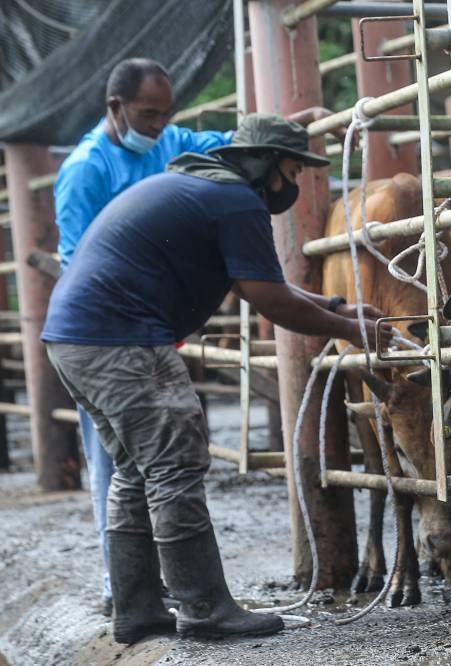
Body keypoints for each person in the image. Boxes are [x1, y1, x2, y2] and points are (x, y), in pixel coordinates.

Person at [42, 113, 390, 644]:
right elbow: (272, 302)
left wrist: (342, 310)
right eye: (293, 170)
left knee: (136, 470)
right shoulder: (237, 202)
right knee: (174, 464)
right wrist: (355, 330)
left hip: (74, 338)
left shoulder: (200, 188)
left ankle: (137, 610)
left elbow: (269, 288)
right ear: (266, 164)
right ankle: (204, 608)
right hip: (122, 340)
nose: (294, 184)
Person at [54, 57, 233, 617]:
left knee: (142, 463)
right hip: (106, 329)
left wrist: (286, 125)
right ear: (116, 108)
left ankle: (144, 601)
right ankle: (125, 589)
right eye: (147, 113)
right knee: (118, 460)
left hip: (153, 324)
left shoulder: (170, 139)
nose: (157, 124)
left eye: (163, 113)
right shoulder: (86, 169)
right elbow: (77, 260)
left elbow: (225, 139)